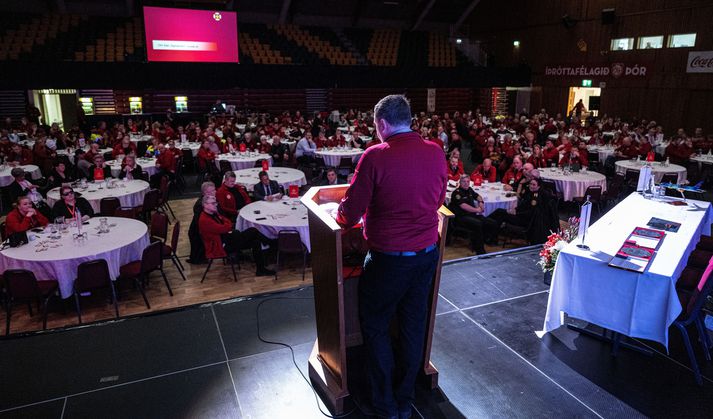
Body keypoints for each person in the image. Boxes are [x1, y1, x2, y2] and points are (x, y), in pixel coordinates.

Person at [337, 95, 447, 419]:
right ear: (409, 119)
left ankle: (385, 405)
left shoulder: (375, 156)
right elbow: (438, 199)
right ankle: (404, 398)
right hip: (427, 255)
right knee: (413, 326)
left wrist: (343, 214)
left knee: (375, 326)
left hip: (388, 261)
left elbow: (350, 212)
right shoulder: (436, 152)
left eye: (375, 126)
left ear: (382, 124)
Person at [198, 194, 275, 276]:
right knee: (253, 231)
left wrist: (227, 225)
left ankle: (260, 269)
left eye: (215, 203)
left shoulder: (213, 213)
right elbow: (225, 228)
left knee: (255, 241)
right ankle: (272, 244)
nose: (215, 205)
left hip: (228, 238)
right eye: (213, 203)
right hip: (221, 246)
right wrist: (227, 226)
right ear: (205, 205)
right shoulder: (205, 219)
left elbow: (227, 221)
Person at [487, 177, 557, 244]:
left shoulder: (536, 197)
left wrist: (516, 212)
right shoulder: (531, 193)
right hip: (522, 216)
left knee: (500, 214)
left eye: (534, 185)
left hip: (525, 221)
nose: (531, 186)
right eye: (530, 184)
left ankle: (491, 236)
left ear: (538, 186)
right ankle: (490, 233)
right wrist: (515, 209)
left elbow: (530, 212)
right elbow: (522, 203)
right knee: (499, 212)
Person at [450, 174, 498, 254]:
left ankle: (488, 240)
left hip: (471, 215)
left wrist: (481, 202)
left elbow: (478, 196)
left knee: (492, 222)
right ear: (460, 182)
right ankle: (480, 251)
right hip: (461, 217)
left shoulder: (469, 189)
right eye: (464, 182)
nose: (466, 183)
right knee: (478, 224)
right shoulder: (456, 193)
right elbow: (463, 206)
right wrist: (477, 210)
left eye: (468, 181)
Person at [188, 181, 215, 264]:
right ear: (206, 193)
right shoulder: (201, 205)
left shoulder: (207, 200)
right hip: (197, 230)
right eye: (213, 191)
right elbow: (200, 221)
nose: (215, 192)